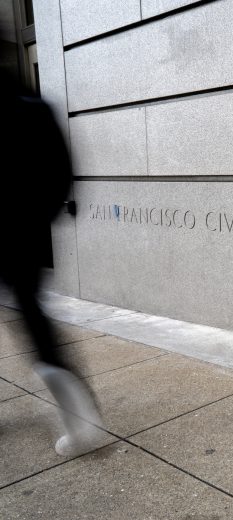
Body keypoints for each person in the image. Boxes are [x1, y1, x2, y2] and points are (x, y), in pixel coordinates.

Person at [0, 71, 103, 456]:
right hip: (23, 233)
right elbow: (60, 173)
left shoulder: (25, 105)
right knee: (34, 320)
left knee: (33, 321)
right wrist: (35, 220)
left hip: (17, 232)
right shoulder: (31, 104)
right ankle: (80, 422)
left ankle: (80, 423)